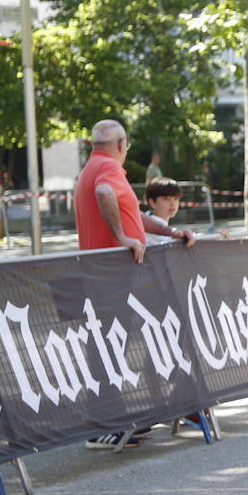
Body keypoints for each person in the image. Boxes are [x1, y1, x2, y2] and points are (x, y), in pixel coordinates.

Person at [76, 120, 196, 449]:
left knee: (109, 346)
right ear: (121, 144)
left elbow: (131, 213)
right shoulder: (107, 170)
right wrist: (121, 237)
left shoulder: (94, 166)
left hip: (105, 273)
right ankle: (102, 425)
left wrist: (170, 232)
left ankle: (111, 420)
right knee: (107, 348)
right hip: (111, 273)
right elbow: (105, 195)